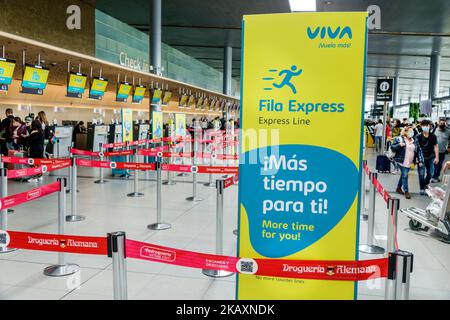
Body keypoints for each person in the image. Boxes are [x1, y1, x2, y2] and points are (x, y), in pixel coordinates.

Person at [391, 126, 424, 199]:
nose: (412, 133)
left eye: (412, 131)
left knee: (403, 175)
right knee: (405, 175)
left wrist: (420, 160)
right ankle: (406, 191)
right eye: (410, 131)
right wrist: (399, 145)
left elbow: (419, 150)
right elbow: (392, 147)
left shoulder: (414, 140)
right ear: (405, 132)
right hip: (401, 161)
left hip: (409, 162)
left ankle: (398, 188)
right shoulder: (399, 139)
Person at [416, 119, 439, 195]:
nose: (425, 127)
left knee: (431, 173)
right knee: (421, 173)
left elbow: (436, 146)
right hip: (421, 158)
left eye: (427, 125)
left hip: (431, 157)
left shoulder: (433, 136)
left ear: (430, 126)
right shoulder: (418, 136)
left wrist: (437, 157)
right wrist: (417, 159)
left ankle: (426, 184)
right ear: (421, 126)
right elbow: (416, 148)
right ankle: (422, 188)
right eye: (423, 125)